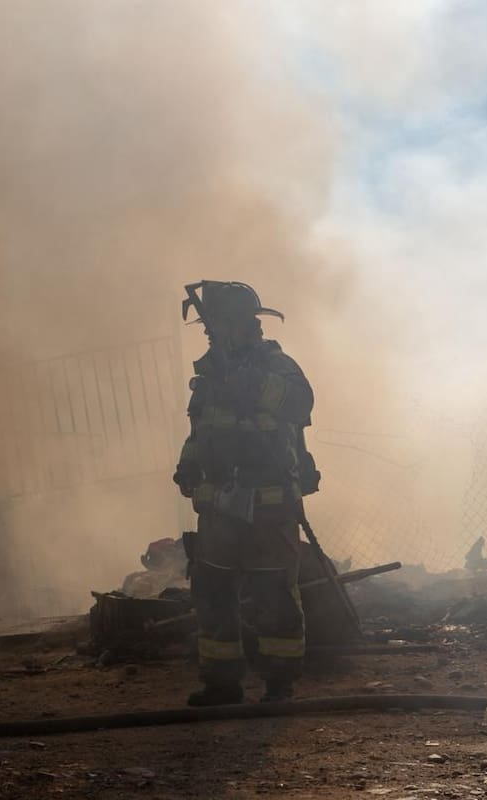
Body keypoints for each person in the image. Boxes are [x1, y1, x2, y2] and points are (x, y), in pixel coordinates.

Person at [173, 280, 316, 705]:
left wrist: (253, 384)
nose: (208, 333)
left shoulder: (275, 365)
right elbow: (203, 429)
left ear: (239, 323)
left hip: (269, 504)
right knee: (213, 591)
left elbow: (300, 405)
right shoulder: (210, 373)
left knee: (274, 594)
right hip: (218, 505)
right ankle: (221, 683)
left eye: (214, 324)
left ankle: (279, 684)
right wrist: (188, 463)